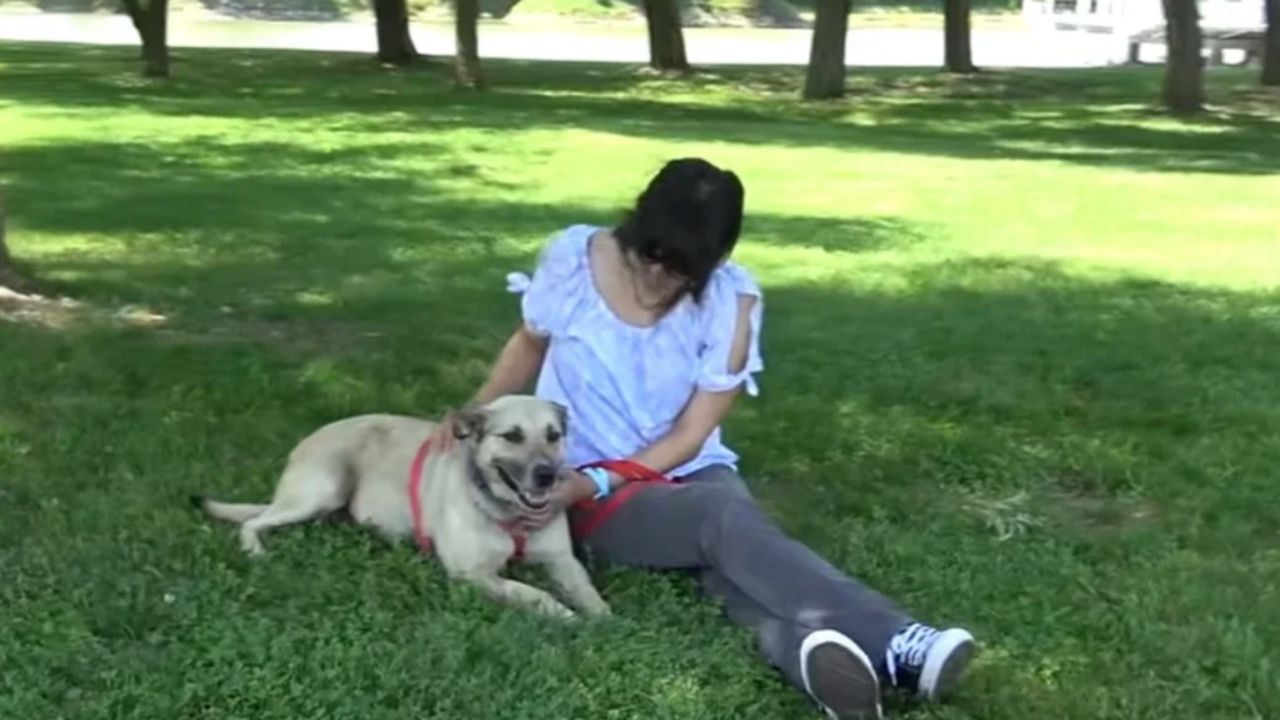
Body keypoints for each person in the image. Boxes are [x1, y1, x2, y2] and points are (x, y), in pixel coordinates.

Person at [434, 158, 976, 720]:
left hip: (683, 469)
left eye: (681, 270)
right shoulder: (574, 260)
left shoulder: (731, 302)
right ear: (635, 226)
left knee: (720, 549)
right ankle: (896, 641)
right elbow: (529, 342)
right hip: (583, 485)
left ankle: (809, 654)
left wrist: (603, 478)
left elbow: (693, 434)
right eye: (651, 255)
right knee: (719, 518)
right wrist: (471, 420)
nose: (658, 277)